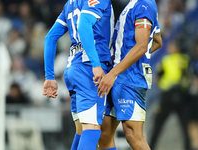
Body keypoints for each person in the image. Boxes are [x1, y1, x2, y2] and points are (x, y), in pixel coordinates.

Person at [42, 0, 114, 150]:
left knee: (82, 131)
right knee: (92, 130)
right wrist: (96, 64)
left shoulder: (70, 4)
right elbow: (83, 26)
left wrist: (50, 76)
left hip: (73, 69)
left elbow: (50, 37)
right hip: (89, 69)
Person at [97, 0, 162, 149]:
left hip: (130, 78)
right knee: (104, 133)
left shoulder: (143, 5)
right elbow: (157, 41)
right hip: (118, 75)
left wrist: (114, 72)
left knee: (133, 134)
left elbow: (142, 45)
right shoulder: (135, 4)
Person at [148, 41, 192, 150]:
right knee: (185, 125)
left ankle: (150, 147)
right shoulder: (185, 59)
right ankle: (188, 147)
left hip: (170, 96)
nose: (170, 47)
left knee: (158, 125)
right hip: (181, 95)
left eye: (173, 45)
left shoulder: (166, 60)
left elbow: (157, 78)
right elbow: (188, 77)